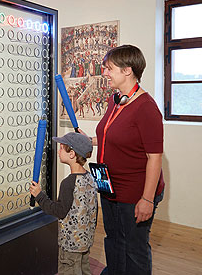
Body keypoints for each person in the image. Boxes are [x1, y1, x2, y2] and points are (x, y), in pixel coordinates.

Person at [80, 44, 165, 275]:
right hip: (109, 185)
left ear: (128, 70)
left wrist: (147, 199)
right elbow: (111, 134)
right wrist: (88, 140)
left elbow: (154, 158)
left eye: (109, 68)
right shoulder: (115, 100)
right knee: (114, 240)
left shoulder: (146, 107)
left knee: (134, 248)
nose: (104, 73)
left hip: (135, 191)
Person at [30, 132, 98, 275]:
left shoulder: (68, 183)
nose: (59, 151)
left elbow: (59, 211)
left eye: (61, 148)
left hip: (70, 246)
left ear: (72, 154)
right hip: (85, 243)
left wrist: (39, 196)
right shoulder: (90, 178)